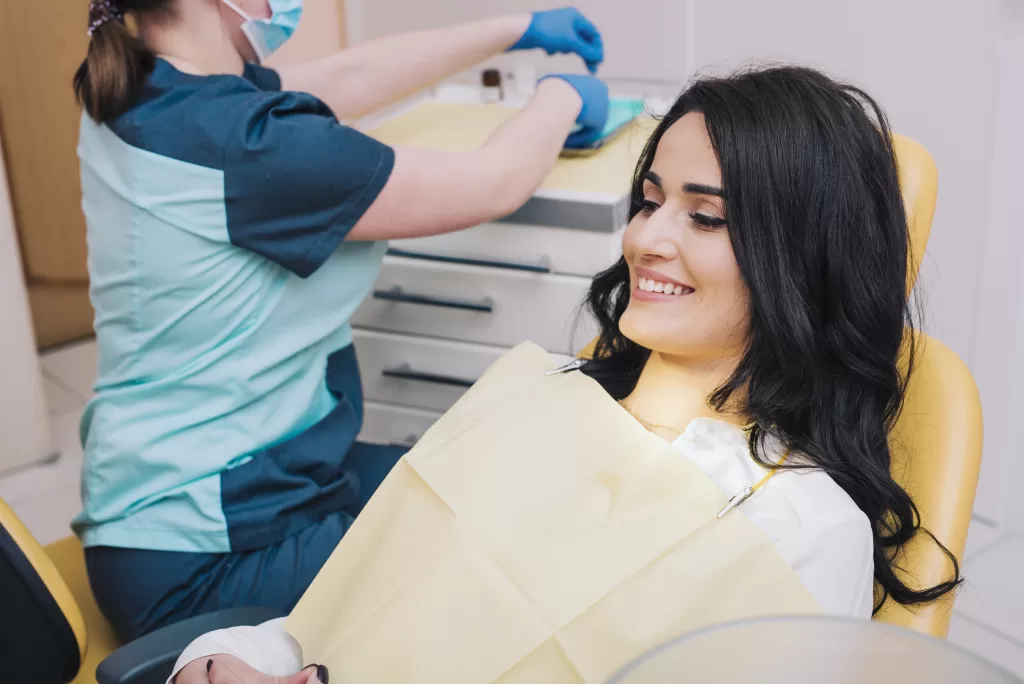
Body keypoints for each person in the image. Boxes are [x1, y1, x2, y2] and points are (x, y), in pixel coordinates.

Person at [168, 64, 963, 684]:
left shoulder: (802, 527)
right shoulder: (534, 391)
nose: (647, 238)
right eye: (649, 202)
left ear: (802, 263)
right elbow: (327, 617)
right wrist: (220, 660)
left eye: (706, 216)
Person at [72, 0, 612, 641]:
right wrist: (561, 100)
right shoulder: (246, 142)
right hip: (203, 560)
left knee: (474, 477)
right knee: (500, 568)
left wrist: (515, 30)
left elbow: (350, 75)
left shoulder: (148, 90)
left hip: (178, 499)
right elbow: (491, 182)